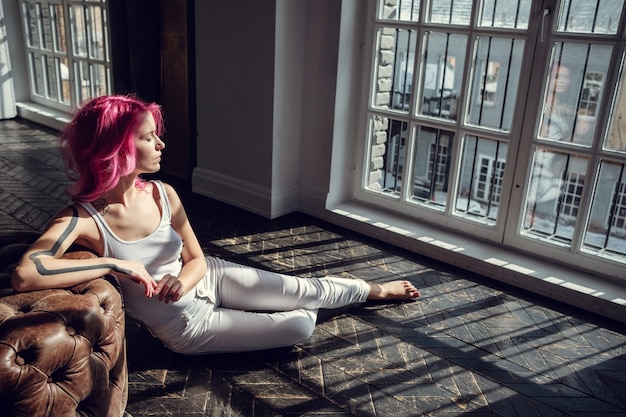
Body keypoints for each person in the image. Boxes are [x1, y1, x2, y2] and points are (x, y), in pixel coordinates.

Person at [11, 94, 420, 354]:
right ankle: (317, 298)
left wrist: (185, 280)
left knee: (306, 290)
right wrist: (115, 264)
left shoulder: (162, 194)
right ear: (117, 149)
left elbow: (198, 259)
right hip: (187, 326)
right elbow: (27, 273)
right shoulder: (84, 218)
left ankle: (371, 289)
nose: (161, 144)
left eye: (157, 135)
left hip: (210, 279)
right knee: (299, 322)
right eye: (148, 137)